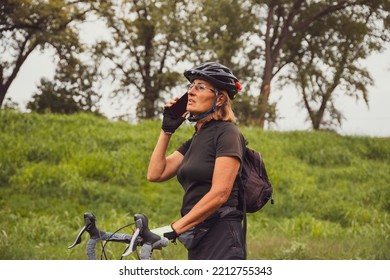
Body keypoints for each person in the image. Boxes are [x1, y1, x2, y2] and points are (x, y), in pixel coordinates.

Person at [147, 62, 246, 260]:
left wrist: (174, 228)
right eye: (190, 87)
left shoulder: (228, 133)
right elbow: (156, 174)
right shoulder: (196, 139)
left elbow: (220, 193)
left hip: (222, 236)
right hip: (198, 236)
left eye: (199, 87)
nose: (191, 92)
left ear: (219, 99)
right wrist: (167, 130)